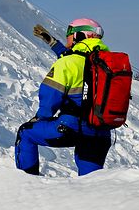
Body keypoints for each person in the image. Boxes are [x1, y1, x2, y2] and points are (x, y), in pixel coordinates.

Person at [16, 18, 112, 175]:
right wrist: (51, 41)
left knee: (25, 133)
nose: (67, 37)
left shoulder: (68, 63)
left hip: (71, 128)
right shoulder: (105, 64)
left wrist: (40, 117)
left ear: (80, 36)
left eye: (70, 33)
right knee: (90, 181)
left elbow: (50, 97)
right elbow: (74, 57)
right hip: (101, 133)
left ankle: (28, 185)